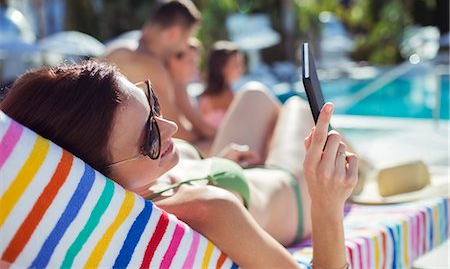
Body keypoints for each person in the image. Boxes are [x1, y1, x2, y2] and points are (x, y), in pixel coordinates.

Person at [0, 60, 357, 269]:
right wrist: (327, 203)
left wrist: (217, 162)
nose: (169, 127)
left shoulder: (137, 175)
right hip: (289, 189)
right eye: (150, 138)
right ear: (100, 174)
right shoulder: (208, 210)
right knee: (296, 105)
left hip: (222, 163)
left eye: (151, 104)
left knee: (254, 94)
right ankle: (360, 169)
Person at [104, 0, 217, 143]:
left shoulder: (126, 48)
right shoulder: (146, 63)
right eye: (186, 39)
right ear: (172, 34)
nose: (184, 47)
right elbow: (177, 134)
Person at [199, 40, 244, 130]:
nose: (241, 69)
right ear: (222, 68)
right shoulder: (228, 96)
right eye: (236, 65)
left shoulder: (205, 98)